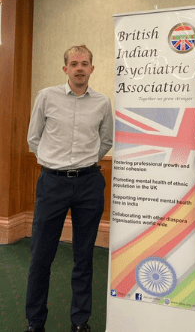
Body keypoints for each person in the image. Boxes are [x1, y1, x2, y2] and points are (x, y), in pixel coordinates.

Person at [24, 45, 113, 332]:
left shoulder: (102, 102)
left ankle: (80, 322)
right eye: (73, 63)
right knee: (41, 255)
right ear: (65, 69)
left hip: (89, 183)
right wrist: (55, 164)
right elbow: (33, 138)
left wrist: (85, 164)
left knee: (84, 256)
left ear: (92, 68)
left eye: (84, 63)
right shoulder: (46, 97)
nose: (79, 68)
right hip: (52, 183)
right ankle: (36, 322)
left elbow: (106, 140)